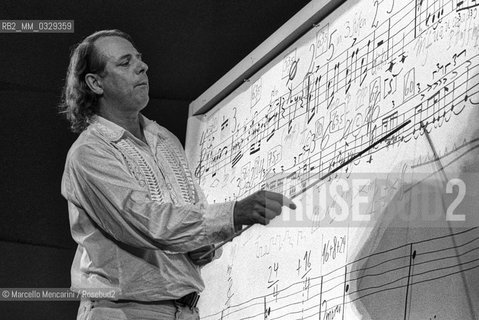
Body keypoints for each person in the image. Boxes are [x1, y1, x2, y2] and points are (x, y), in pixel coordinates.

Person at [59, 29, 296, 320]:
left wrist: (203, 248)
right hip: (123, 313)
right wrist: (235, 213)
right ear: (95, 83)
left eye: (139, 59)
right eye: (124, 62)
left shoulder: (165, 139)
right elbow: (149, 223)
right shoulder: (90, 153)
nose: (142, 66)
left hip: (185, 311)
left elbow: (190, 218)